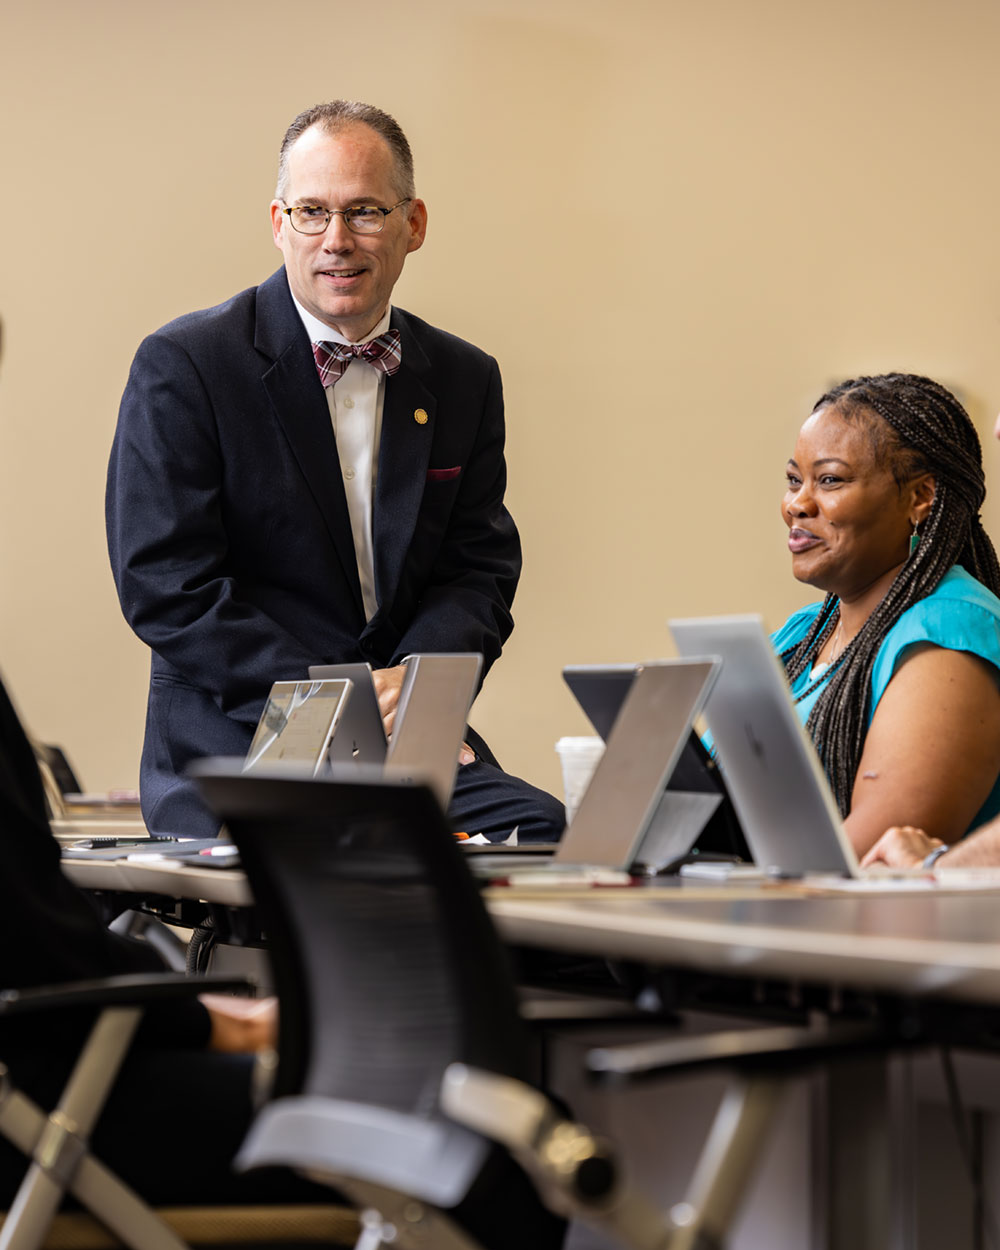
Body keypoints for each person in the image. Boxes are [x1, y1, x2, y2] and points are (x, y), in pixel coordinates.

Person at [106, 100, 563, 841]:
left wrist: (415, 688)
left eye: (365, 212)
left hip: (407, 740)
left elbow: (476, 568)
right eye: (313, 212)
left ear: (413, 224)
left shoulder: (464, 376)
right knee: (371, 867)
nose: (337, 241)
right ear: (279, 223)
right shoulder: (187, 365)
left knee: (553, 839)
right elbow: (167, 585)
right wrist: (344, 705)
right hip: (243, 746)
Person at [773, 372, 1000, 858]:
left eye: (830, 480)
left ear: (920, 497)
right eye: (795, 480)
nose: (797, 504)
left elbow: (869, 861)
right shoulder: (800, 636)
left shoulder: (949, 634)